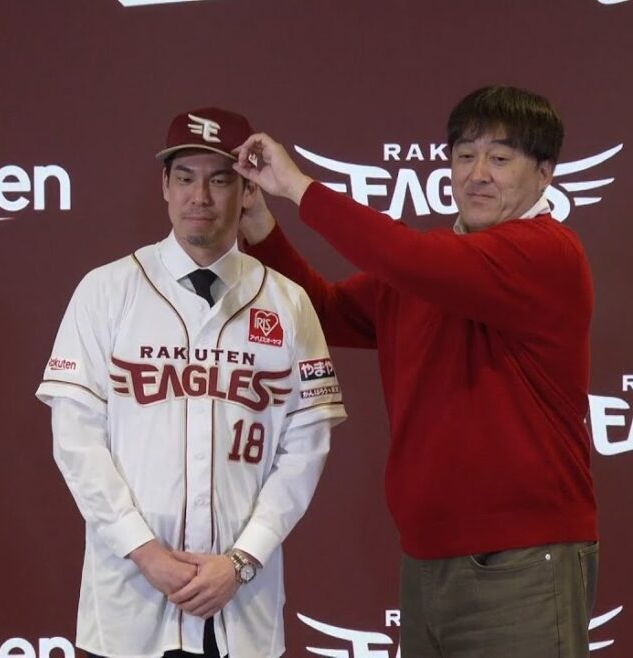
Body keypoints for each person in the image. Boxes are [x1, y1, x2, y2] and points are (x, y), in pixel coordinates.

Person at [232, 86, 598, 658]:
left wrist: (298, 187)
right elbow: (322, 310)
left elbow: (409, 258)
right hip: (425, 561)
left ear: (545, 173)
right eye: (464, 156)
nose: (478, 174)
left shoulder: (548, 252)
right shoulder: (429, 269)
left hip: (522, 561)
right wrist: (259, 225)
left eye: (501, 158)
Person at [36, 107, 347, 658]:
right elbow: (76, 440)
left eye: (220, 180)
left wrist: (243, 560)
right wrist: (143, 549)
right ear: (165, 186)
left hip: (242, 604)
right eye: (184, 178)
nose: (199, 196)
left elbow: (306, 448)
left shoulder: (288, 302)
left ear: (247, 190)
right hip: (131, 600)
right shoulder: (106, 291)